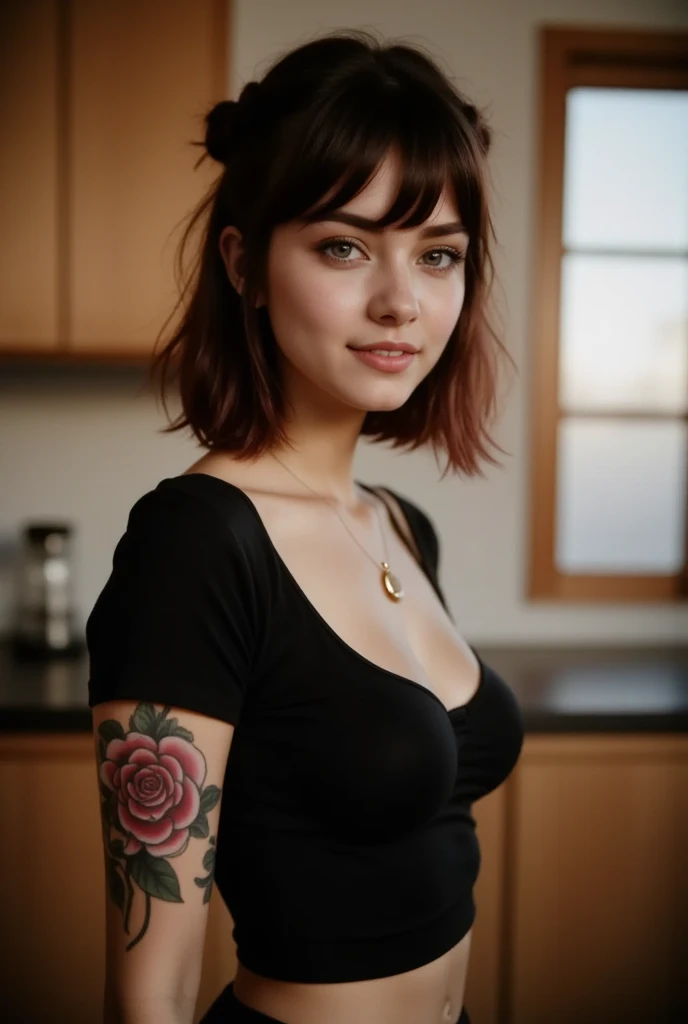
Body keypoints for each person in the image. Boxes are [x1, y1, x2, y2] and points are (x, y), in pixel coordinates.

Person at [87, 28, 524, 1024]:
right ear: (243, 261)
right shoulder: (195, 545)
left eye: (438, 254)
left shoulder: (400, 524)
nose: (399, 301)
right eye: (343, 244)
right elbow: (147, 996)